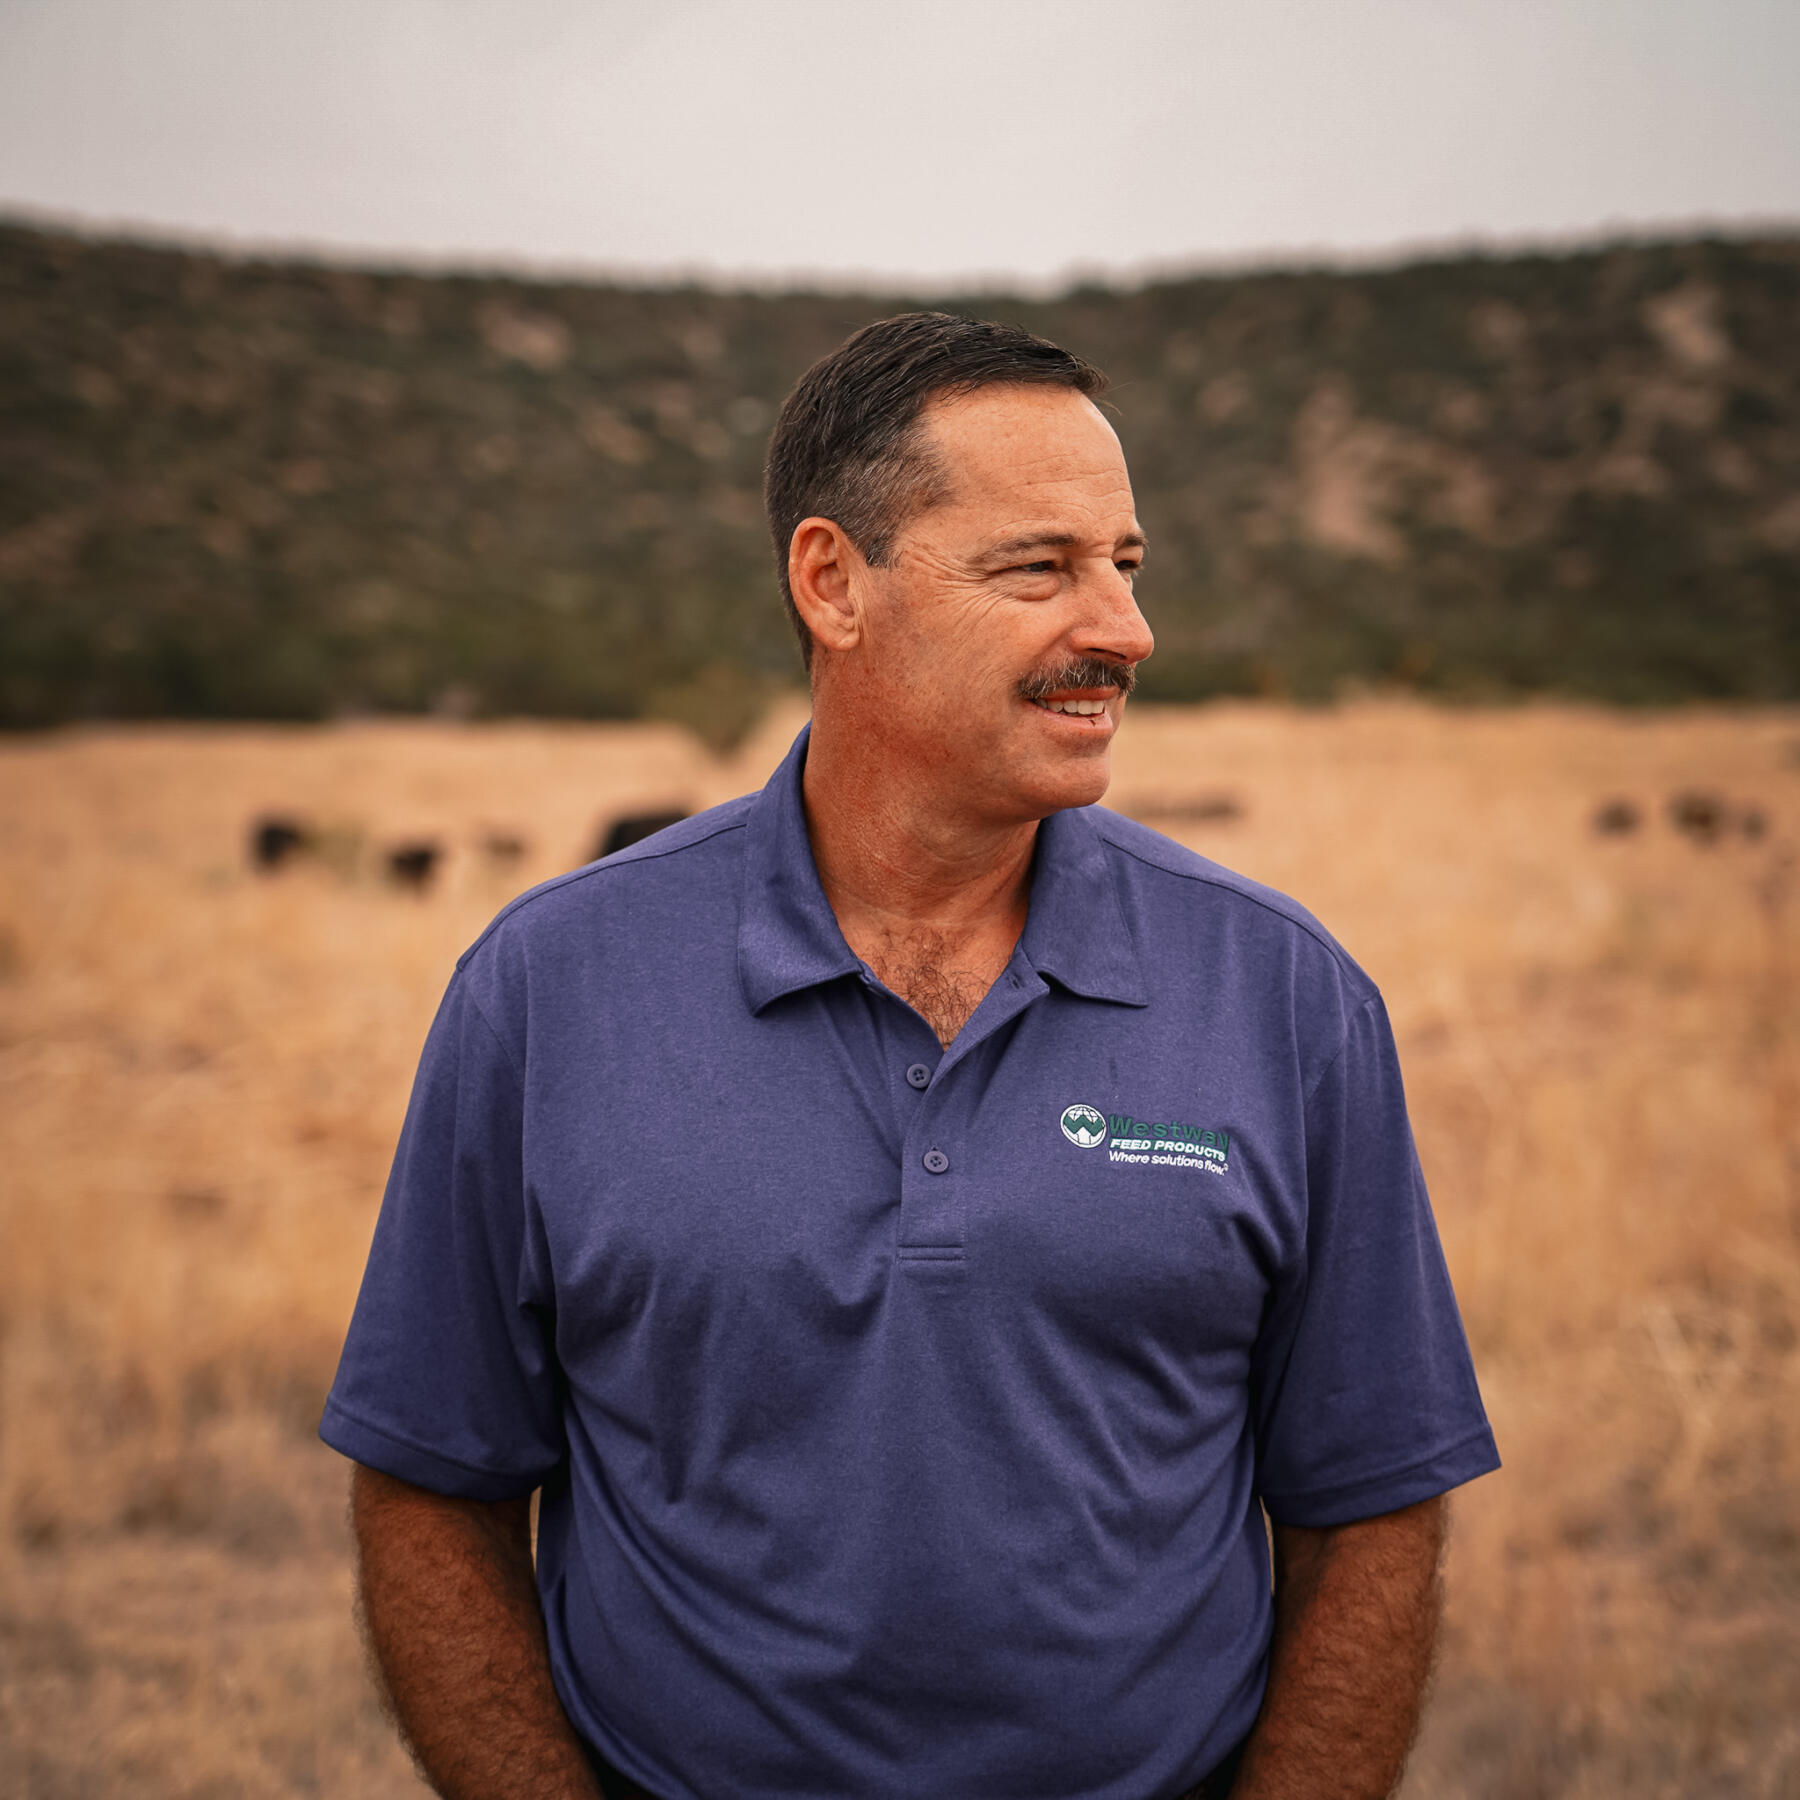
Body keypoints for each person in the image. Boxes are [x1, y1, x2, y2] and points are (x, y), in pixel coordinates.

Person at [322, 312, 1500, 1800]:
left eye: (1126, 566)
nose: (1124, 629)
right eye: (1039, 567)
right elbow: (432, 1484)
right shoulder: (549, 988)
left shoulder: (1284, 995)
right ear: (835, 583)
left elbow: (1372, 1506)